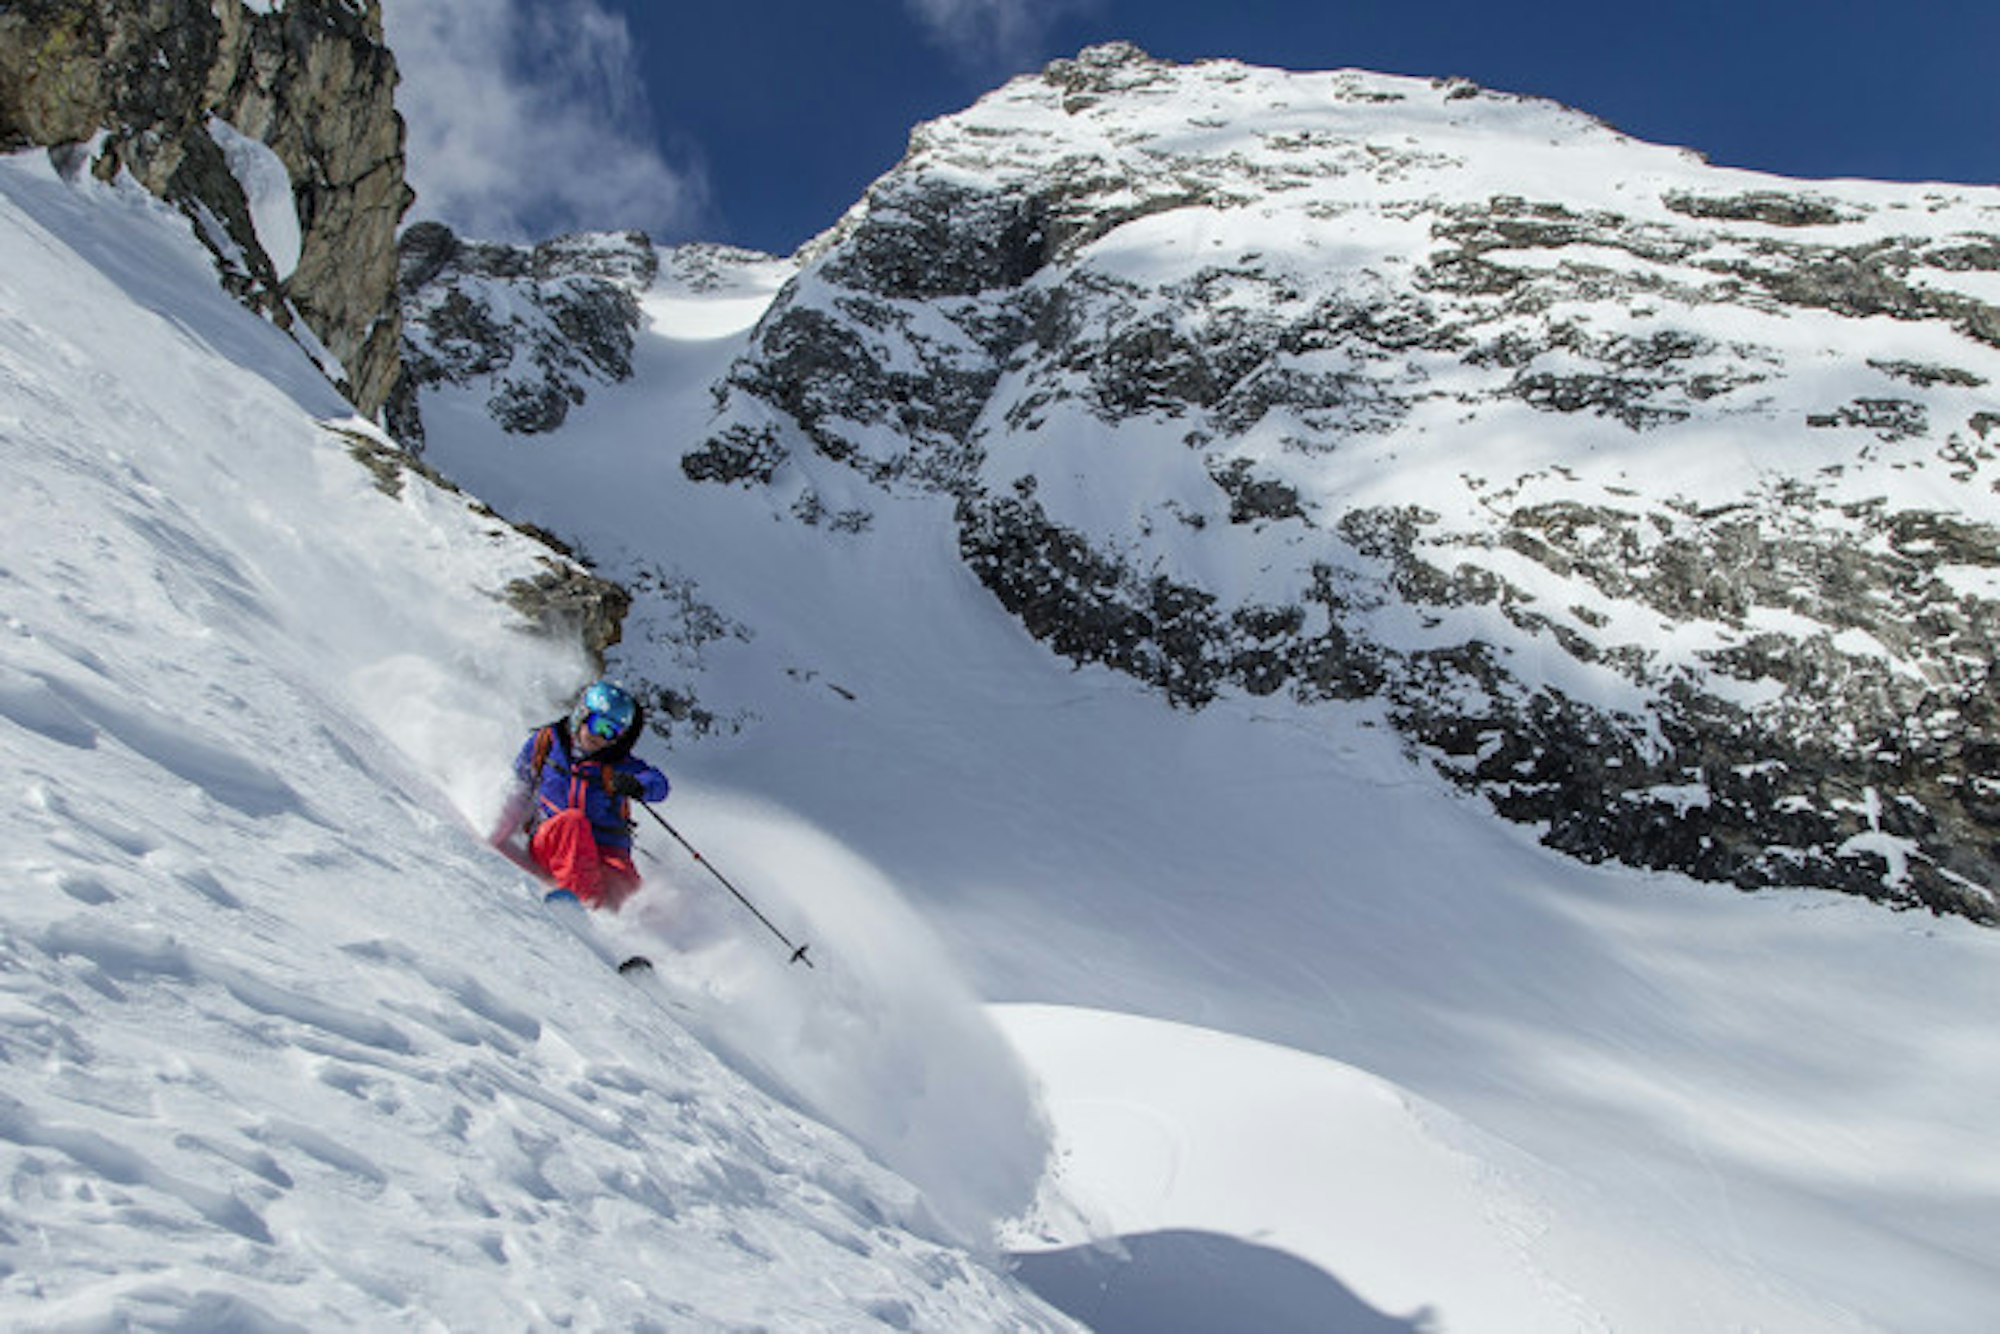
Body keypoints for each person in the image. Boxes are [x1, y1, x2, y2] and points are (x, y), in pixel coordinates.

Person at [503, 679, 670, 912]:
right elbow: (518, 783)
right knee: (572, 822)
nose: (601, 737)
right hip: (551, 841)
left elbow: (659, 784)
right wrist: (501, 829)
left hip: (603, 850)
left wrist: (637, 785)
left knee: (627, 888)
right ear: (581, 715)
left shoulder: (617, 763)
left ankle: (644, 938)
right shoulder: (547, 743)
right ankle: (586, 909)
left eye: (612, 732)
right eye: (598, 725)